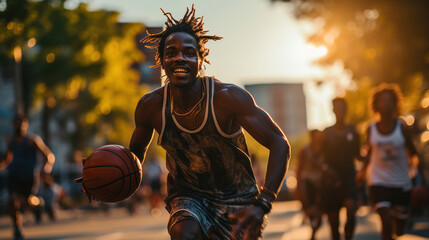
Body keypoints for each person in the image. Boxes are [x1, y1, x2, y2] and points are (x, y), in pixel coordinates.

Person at [128, 5, 290, 240]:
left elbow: (279, 143)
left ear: (201, 60)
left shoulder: (228, 98)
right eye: (171, 52)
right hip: (189, 197)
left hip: (238, 198)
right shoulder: (151, 106)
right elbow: (134, 156)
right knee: (185, 232)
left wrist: (263, 202)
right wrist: (103, 175)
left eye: (189, 52)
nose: (179, 57)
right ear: (162, 61)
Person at [356, 83, 424, 240]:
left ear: (394, 103)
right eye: (382, 100)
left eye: (388, 100)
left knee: (399, 229)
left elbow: (414, 153)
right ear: (376, 104)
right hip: (378, 182)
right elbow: (369, 153)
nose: (385, 104)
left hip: (401, 182)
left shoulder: (402, 128)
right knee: (386, 221)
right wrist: (361, 174)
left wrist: (420, 173)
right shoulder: (371, 129)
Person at [0, 114, 55, 240]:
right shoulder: (10, 140)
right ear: (13, 124)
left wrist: (46, 169)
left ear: (26, 125)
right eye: (16, 123)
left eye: (21, 123)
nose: (18, 126)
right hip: (13, 175)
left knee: (27, 203)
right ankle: (17, 227)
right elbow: (7, 158)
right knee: (12, 200)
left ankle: (39, 205)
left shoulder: (32, 140)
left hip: (29, 176)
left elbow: (48, 155)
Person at [319, 97, 361, 240]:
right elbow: (317, 157)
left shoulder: (353, 131)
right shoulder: (326, 132)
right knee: (334, 225)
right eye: (337, 108)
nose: (340, 111)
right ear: (333, 110)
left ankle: (348, 236)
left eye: (342, 108)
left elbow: (359, 155)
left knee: (351, 211)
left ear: (346, 110)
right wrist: (326, 169)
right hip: (331, 180)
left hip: (349, 177)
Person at [295, 129, 323, 240]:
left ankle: (314, 229)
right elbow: (299, 168)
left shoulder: (324, 149)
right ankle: (313, 228)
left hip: (321, 183)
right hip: (309, 182)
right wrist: (298, 186)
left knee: (320, 212)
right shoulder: (305, 150)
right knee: (312, 210)